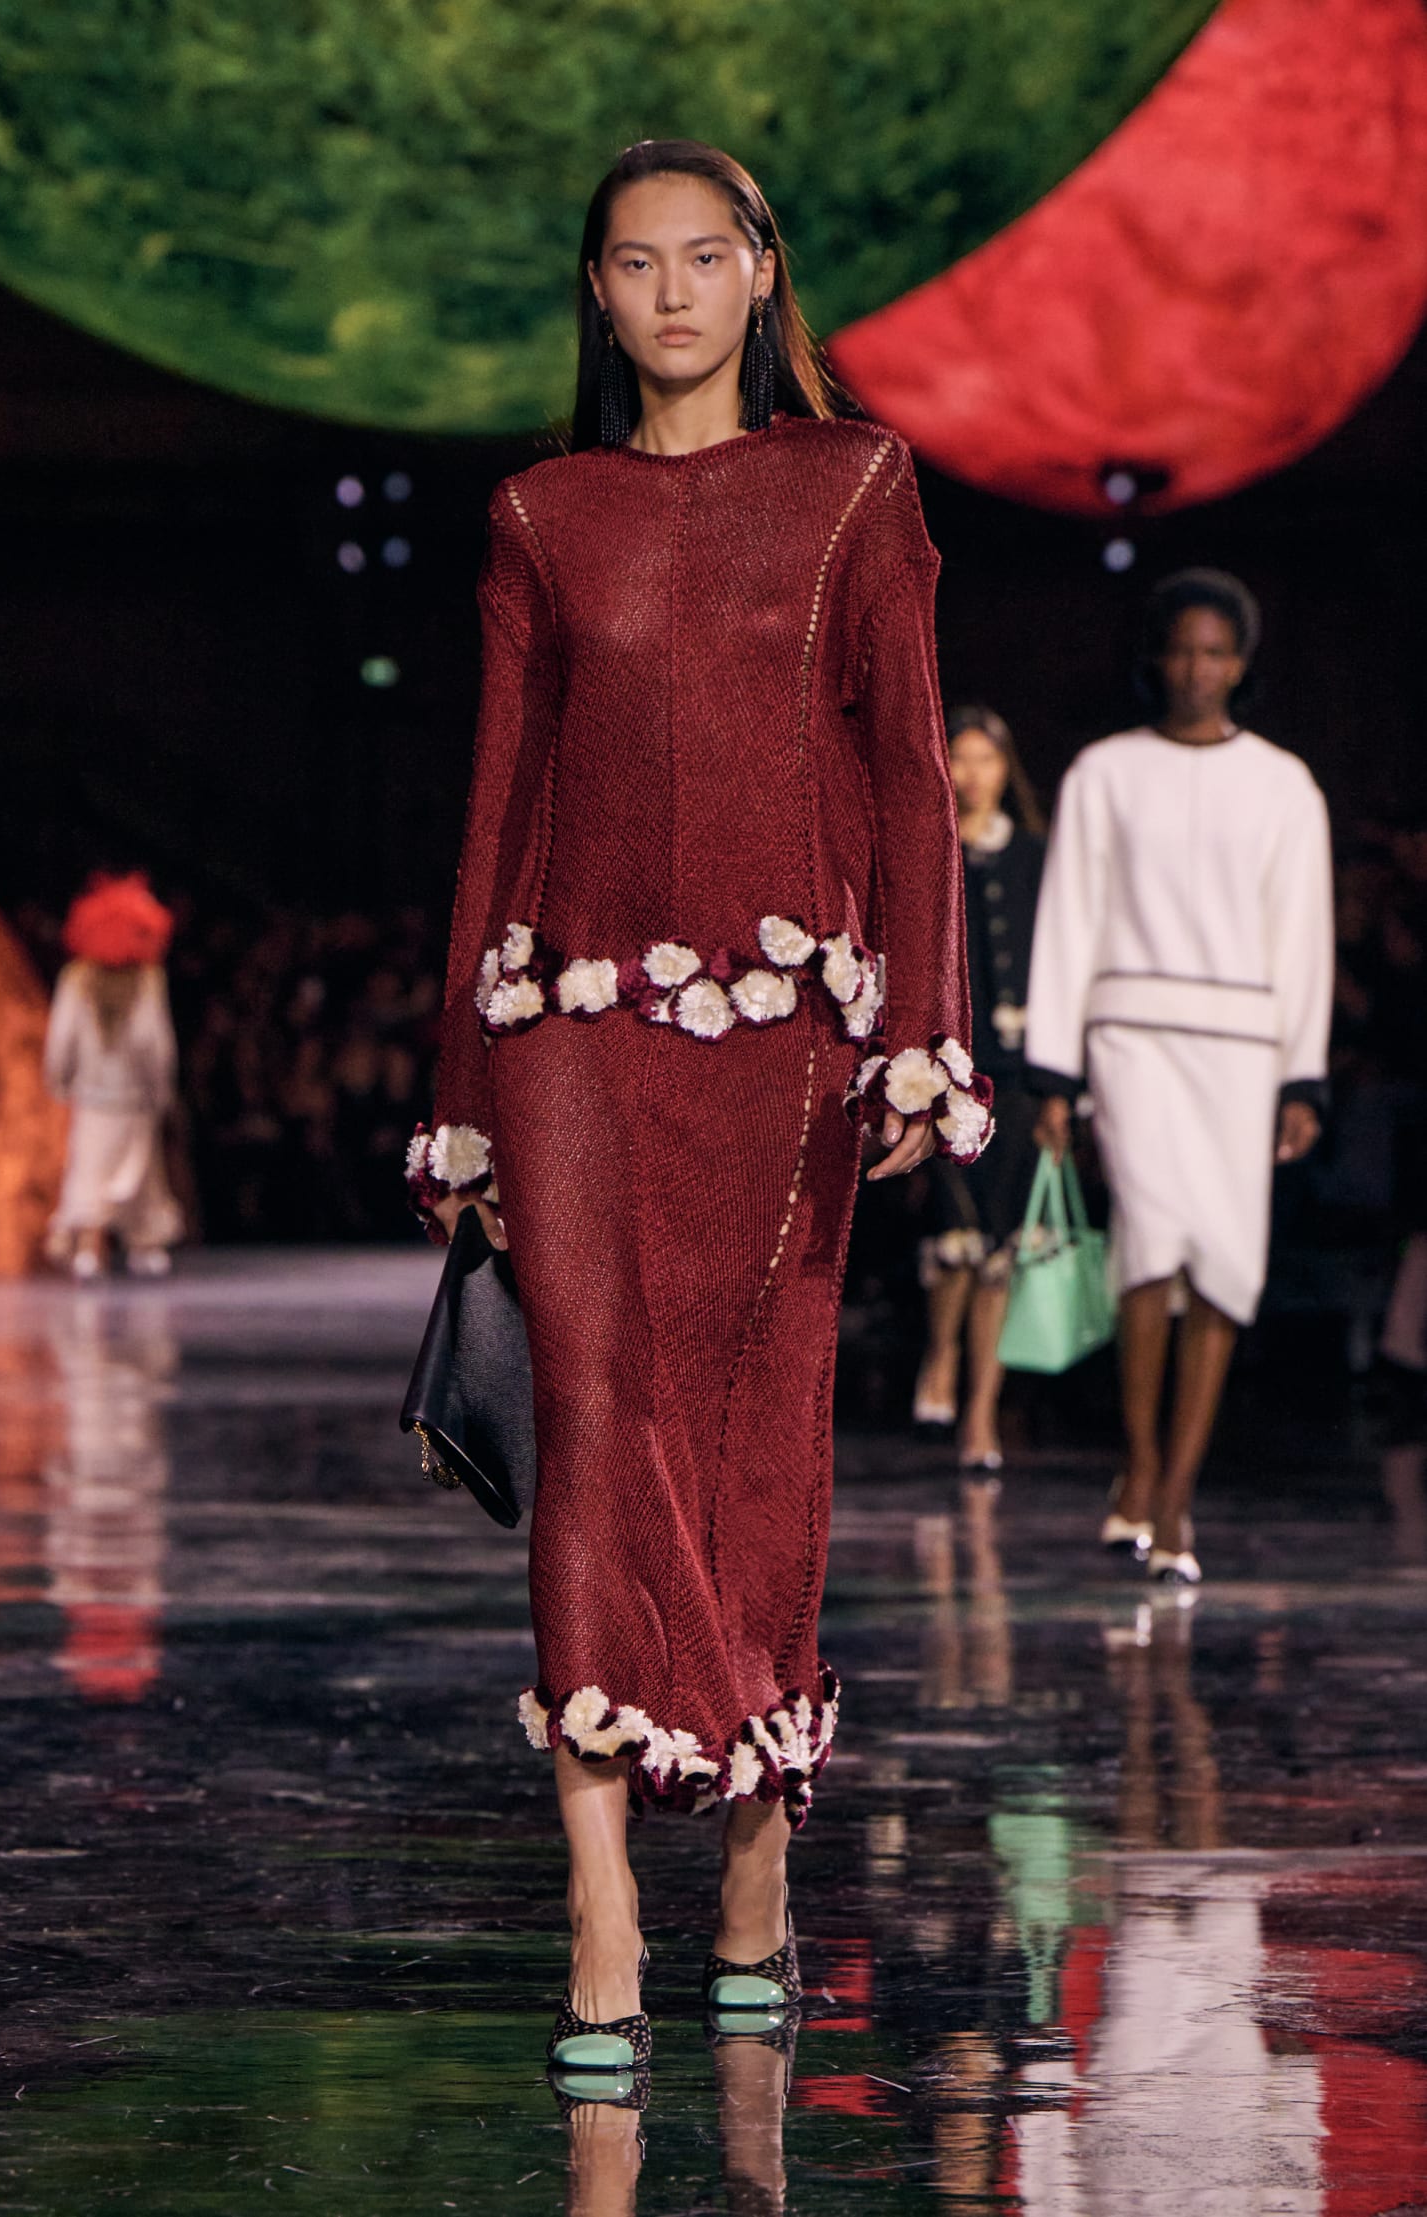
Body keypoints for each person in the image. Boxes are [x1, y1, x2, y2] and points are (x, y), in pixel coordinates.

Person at [406, 138, 990, 2081]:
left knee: (753, 1429)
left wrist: (927, 1033)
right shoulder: (541, 514)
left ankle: (754, 1833)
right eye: (634, 263)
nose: (670, 292)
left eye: (703, 256)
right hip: (569, 1025)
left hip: (788, 1043)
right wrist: (460, 1096)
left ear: (761, 272)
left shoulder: (854, 486)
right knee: (591, 1413)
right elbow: (497, 807)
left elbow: (909, 776)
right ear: (597, 293)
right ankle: (599, 1896)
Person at [1025, 569, 1332, 1583]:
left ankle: (1178, 1492)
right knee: (1149, 1248)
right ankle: (1142, 1463)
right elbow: (1069, 914)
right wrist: (1054, 1071)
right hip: (1132, 1039)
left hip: (1242, 1048)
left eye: (1216, 652)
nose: (1198, 669)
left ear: (1241, 664)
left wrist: (1302, 1080)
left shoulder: (1285, 785)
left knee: (1226, 1263)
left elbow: (1303, 935)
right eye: (1183, 650)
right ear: (1157, 659)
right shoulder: (1104, 772)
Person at [913, 707, 1045, 1467]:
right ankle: (940, 1355)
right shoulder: (931, 851)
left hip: (1020, 1071)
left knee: (1001, 1249)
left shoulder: (1034, 855)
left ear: (1005, 768)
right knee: (956, 1236)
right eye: (958, 758)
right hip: (950, 1066)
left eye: (985, 759)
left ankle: (983, 1414)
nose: (972, 774)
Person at [44, 873, 183, 1280]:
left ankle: (88, 1249)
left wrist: (58, 1079)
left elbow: (61, 1038)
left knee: (90, 1171)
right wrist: (161, 1089)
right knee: (138, 1174)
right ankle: (144, 1246)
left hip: (92, 1097)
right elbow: (154, 1043)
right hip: (133, 1097)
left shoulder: (78, 979)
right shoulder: (146, 981)